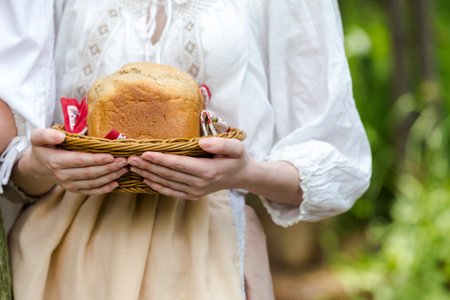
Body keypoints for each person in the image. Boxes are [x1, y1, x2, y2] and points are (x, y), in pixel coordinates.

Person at [0, 0, 372, 299]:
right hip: (64, 251)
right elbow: (16, 165)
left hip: (212, 245)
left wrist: (244, 173)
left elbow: (340, 162)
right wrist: (42, 166)